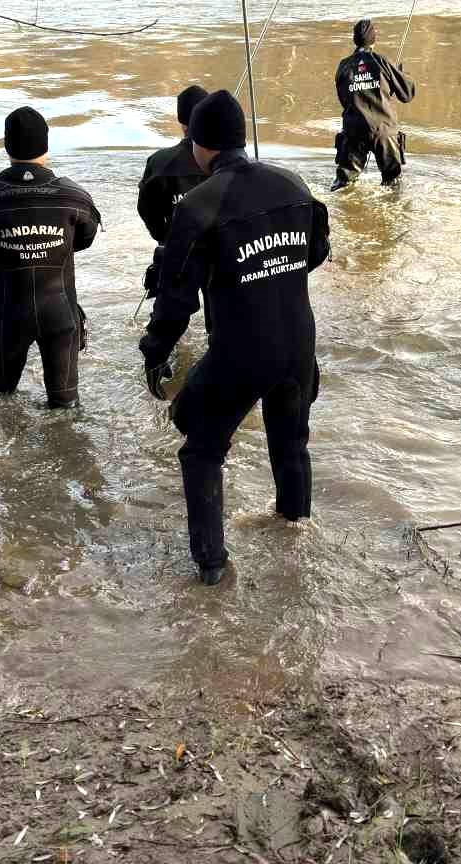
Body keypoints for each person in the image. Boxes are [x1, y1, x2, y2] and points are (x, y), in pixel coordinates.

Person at [139, 90, 331, 585]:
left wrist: (155, 350)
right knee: (291, 444)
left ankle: (211, 567)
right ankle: (296, 531)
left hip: (242, 349)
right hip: (299, 344)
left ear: (198, 144)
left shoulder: (200, 204)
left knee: (200, 450)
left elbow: (176, 296)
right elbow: (316, 253)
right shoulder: (292, 182)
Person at [0, 106, 101, 407]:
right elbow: (82, 241)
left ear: (6, 146)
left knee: (1, 399)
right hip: (60, 313)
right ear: (46, 144)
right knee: (65, 408)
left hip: (8, 315)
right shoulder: (76, 197)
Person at [137, 83, 209, 296]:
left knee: (167, 321)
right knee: (219, 322)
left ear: (181, 121)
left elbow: (147, 210)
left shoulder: (159, 162)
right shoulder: (224, 160)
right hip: (221, 252)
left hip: (177, 250)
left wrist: (164, 236)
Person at [332, 18, 415, 190]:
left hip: (354, 130)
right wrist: (400, 74)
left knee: (343, 185)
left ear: (355, 40)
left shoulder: (344, 66)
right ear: (373, 40)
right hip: (384, 131)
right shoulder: (383, 62)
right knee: (393, 184)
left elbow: (343, 99)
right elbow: (407, 94)